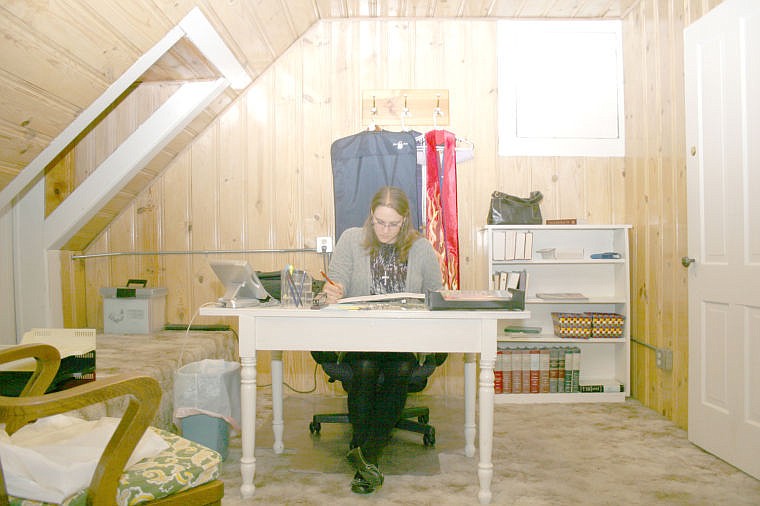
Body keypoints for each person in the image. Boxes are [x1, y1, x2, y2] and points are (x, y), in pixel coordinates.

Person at [321, 186, 443, 495]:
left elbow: (436, 296)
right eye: (379, 222)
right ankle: (370, 454)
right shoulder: (351, 239)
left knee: (401, 369)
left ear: (405, 220)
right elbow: (336, 283)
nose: (385, 230)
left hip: (402, 339)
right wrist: (332, 293)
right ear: (371, 217)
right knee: (363, 365)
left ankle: (365, 451)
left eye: (392, 224)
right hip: (360, 338)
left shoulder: (421, 248)